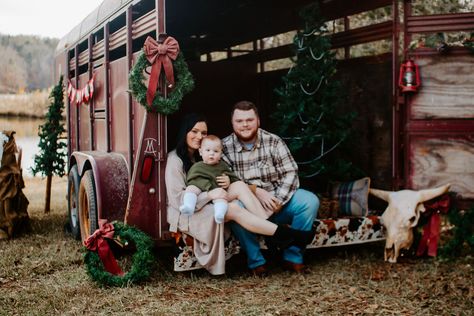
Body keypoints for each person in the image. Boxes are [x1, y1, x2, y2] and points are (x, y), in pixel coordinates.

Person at [165, 113, 314, 275]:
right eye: (194, 131)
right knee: (234, 208)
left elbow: (215, 180)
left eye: (204, 133)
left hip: (209, 203)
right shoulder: (175, 159)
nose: (199, 136)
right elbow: (178, 200)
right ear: (184, 132)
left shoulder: (200, 156)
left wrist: (227, 183)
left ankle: (273, 231)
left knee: (239, 185)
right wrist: (210, 195)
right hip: (188, 212)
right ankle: (281, 235)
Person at [222, 101, 320, 275]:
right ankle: (256, 262)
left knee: (309, 201)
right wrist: (255, 191)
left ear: (258, 120)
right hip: (248, 205)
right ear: (232, 122)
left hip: (278, 200)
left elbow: (290, 172)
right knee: (235, 209)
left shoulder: (273, 141)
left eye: (249, 119)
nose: (245, 124)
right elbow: (228, 182)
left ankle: (292, 257)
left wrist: (278, 201)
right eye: (239, 121)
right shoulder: (224, 148)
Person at [180, 135, 269, 223]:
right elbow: (192, 179)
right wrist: (206, 186)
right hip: (203, 192)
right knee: (191, 189)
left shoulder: (222, 165)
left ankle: (219, 214)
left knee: (221, 199)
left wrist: (228, 180)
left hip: (218, 191)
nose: (211, 153)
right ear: (200, 152)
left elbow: (233, 178)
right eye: (208, 150)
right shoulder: (197, 166)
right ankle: (189, 205)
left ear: (220, 154)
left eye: (215, 151)